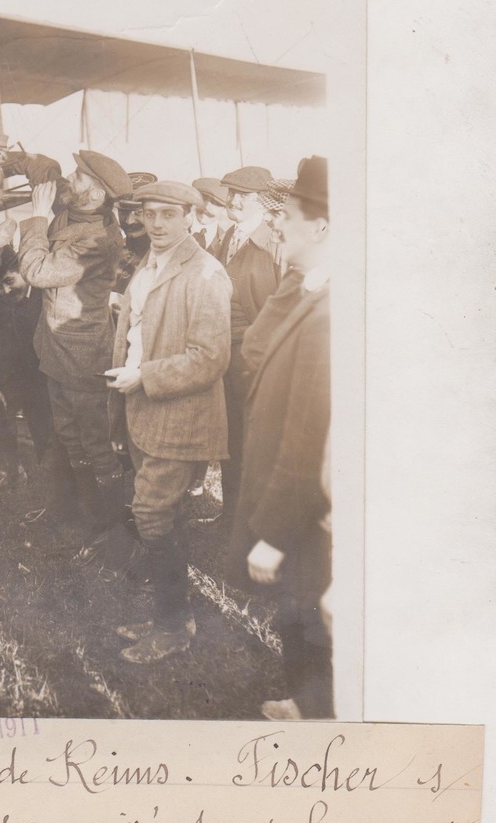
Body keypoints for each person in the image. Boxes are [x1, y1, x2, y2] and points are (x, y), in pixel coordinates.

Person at [105, 181, 232, 663]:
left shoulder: (205, 273)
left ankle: (174, 626)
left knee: (153, 514)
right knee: (162, 515)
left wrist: (143, 376)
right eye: (148, 214)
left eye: (167, 215)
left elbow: (209, 359)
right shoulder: (152, 261)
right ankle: (170, 615)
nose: (155, 224)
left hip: (179, 415)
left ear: (191, 218)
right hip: (143, 409)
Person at [226, 155, 332, 719]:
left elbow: (309, 435)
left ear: (324, 227)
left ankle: (317, 714)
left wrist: (273, 529)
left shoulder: (331, 307)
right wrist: (299, 272)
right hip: (296, 493)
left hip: (303, 502)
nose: (276, 226)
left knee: (308, 604)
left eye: (287, 216)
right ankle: (307, 701)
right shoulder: (310, 284)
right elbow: (258, 345)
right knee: (300, 605)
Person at [17, 150, 131, 538]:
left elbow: (39, 271)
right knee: (69, 437)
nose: (70, 180)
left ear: (97, 195)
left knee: (96, 445)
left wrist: (35, 217)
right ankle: (87, 518)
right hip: (55, 348)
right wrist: (12, 160)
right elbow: (47, 171)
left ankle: (113, 528)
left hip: (82, 355)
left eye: (80, 178)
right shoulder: (78, 210)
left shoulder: (99, 239)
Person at [0, 246, 77, 516]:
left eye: (9, 281)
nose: (6, 291)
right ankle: (14, 472)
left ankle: (63, 498)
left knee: (49, 436)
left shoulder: (46, 294)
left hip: (46, 372)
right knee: (0, 411)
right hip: (11, 371)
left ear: (24, 272)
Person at [217, 165, 283, 522]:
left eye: (242, 195)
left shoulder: (274, 241)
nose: (233, 200)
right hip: (223, 351)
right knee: (228, 435)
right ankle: (231, 513)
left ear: (262, 201)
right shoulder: (228, 235)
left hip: (257, 355)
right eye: (231, 193)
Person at [113, 172, 158, 295]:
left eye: (138, 213)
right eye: (123, 212)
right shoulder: (112, 248)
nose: (128, 220)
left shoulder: (164, 257)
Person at [191, 177, 231, 257]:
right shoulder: (175, 230)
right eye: (204, 199)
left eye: (215, 203)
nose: (206, 207)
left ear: (224, 208)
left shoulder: (227, 240)